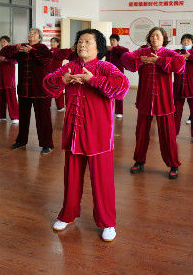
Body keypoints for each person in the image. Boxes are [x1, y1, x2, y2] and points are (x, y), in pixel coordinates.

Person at [44, 29, 129, 242]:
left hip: (99, 135)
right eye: (80, 41)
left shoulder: (106, 67)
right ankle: (68, 214)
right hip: (74, 131)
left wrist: (94, 80)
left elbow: (122, 87)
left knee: (102, 181)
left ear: (98, 47)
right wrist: (63, 80)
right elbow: (48, 85)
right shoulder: (70, 67)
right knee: (71, 178)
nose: (82, 45)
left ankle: (107, 222)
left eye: (88, 41)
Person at [121, 27, 185, 179]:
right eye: (152, 35)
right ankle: (139, 161)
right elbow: (125, 57)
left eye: (157, 35)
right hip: (145, 98)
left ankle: (174, 164)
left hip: (164, 100)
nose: (154, 38)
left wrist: (159, 60)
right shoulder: (143, 52)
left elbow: (180, 64)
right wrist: (139, 60)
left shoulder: (169, 53)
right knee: (141, 133)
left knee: (168, 134)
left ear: (164, 38)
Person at [2, 28, 54, 155]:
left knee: (43, 118)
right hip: (24, 90)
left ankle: (47, 144)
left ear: (40, 38)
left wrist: (32, 50)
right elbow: (4, 52)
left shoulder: (42, 48)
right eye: (30, 32)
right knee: (23, 118)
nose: (31, 34)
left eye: (35, 33)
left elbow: (48, 59)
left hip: (40, 90)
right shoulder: (22, 48)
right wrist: (16, 48)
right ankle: (21, 141)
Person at [105, 34, 129, 118]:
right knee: (108, 92)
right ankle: (108, 110)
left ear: (117, 41)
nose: (111, 42)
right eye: (110, 40)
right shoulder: (108, 51)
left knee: (119, 93)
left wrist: (113, 49)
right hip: (108, 75)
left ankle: (119, 112)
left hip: (118, 75)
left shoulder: (120, 49)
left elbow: (126, 51)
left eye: (113, 40)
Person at [49, 37, 73, 112]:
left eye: (54, 42)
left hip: (57, 74)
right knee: (48, 89)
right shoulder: (48, 51)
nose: (52, 43)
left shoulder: (59, 52)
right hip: (49, 74)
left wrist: (71, 49)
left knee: (58, 89)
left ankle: (60, 106)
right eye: (51, 42)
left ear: (58, 43)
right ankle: (47, 104)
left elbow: (66, 53)